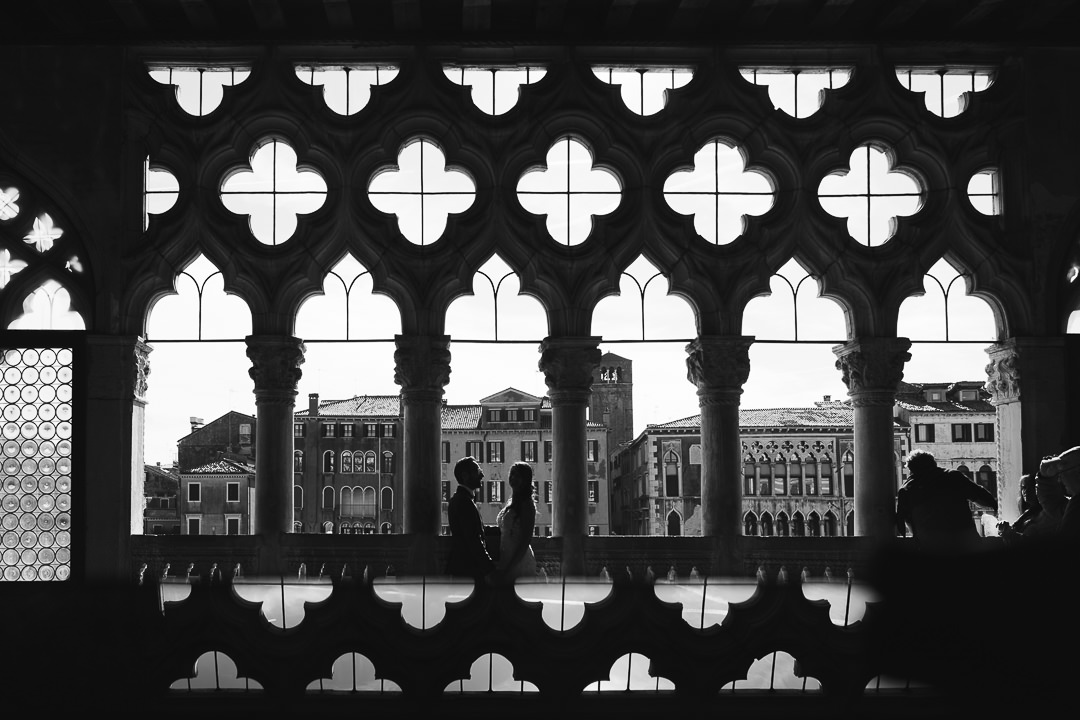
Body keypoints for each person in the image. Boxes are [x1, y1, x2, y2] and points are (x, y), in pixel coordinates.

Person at [895, 448, 998, 551]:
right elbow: (984, 499)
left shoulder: (906, 489)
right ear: (933, 464)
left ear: (911, 470)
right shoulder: (953, 477)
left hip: (931, 549)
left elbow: (903, 525)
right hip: (965, 545)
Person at [445, 456, 496, 581]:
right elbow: (473, 539)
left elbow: (476, 530)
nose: (482, 474)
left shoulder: (460, 499)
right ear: (465, 476)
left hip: (463, 568)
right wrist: (489, 569)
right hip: (469, 569)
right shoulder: (464, 502)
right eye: (477, 471)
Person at [496, 461, 537, 582]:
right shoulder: (511, 502)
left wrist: (509, 567)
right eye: (512, 474)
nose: (513, 478)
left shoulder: (527, 505)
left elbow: (525, 541)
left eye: (518, 476)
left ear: (525, 479)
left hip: (519, 561)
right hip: (506, 556)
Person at [1038, 445, 1080, 542]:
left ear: (1078, 473)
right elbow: (1056, 506)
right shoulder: (1075, 503)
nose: (1060, 479)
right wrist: (1045, 478)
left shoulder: (1077, 503)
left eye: (1062, 473)